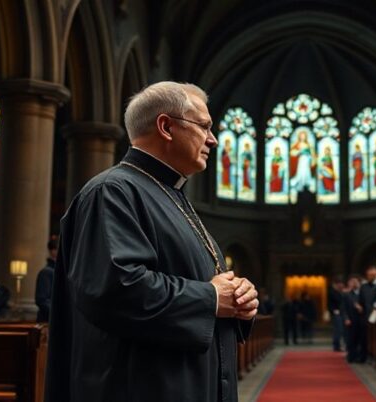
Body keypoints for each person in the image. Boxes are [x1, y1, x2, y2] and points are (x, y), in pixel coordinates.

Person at [44, 82, 258, 402]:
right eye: (205, 127)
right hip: (142, 387)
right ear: (166, 126)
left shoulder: (170, 194)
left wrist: (239, 301)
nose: (213, 139)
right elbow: (116, 289)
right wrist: (211, 298)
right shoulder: (112, 192)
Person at [342, 275, 365, 363]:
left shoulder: (362, 293)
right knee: (351, 339)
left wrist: (362, 309)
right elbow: (343, 308)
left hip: (361, 319)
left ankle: (360, 357)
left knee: (361, 339)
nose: (354, 283)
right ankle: (351, 356)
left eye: (356, 281)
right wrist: (346, 318)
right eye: (352, 282)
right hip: (351, 319)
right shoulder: (347, 294)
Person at [35, 237, 58, 322]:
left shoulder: (59, 271)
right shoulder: (46, 273)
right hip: (48, 322)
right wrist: (59, 314)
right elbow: (42, 300)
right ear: (53, 251)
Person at [328, 276, 345, 351]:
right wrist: (334, 311)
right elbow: (330, 304)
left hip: (342, 313)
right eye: (339, 284)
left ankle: (338, 345)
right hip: (336, 313)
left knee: (340, 329)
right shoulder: (332, 292)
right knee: (338, 329)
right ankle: (336, 346)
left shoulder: (341, 292)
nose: (341, 285)